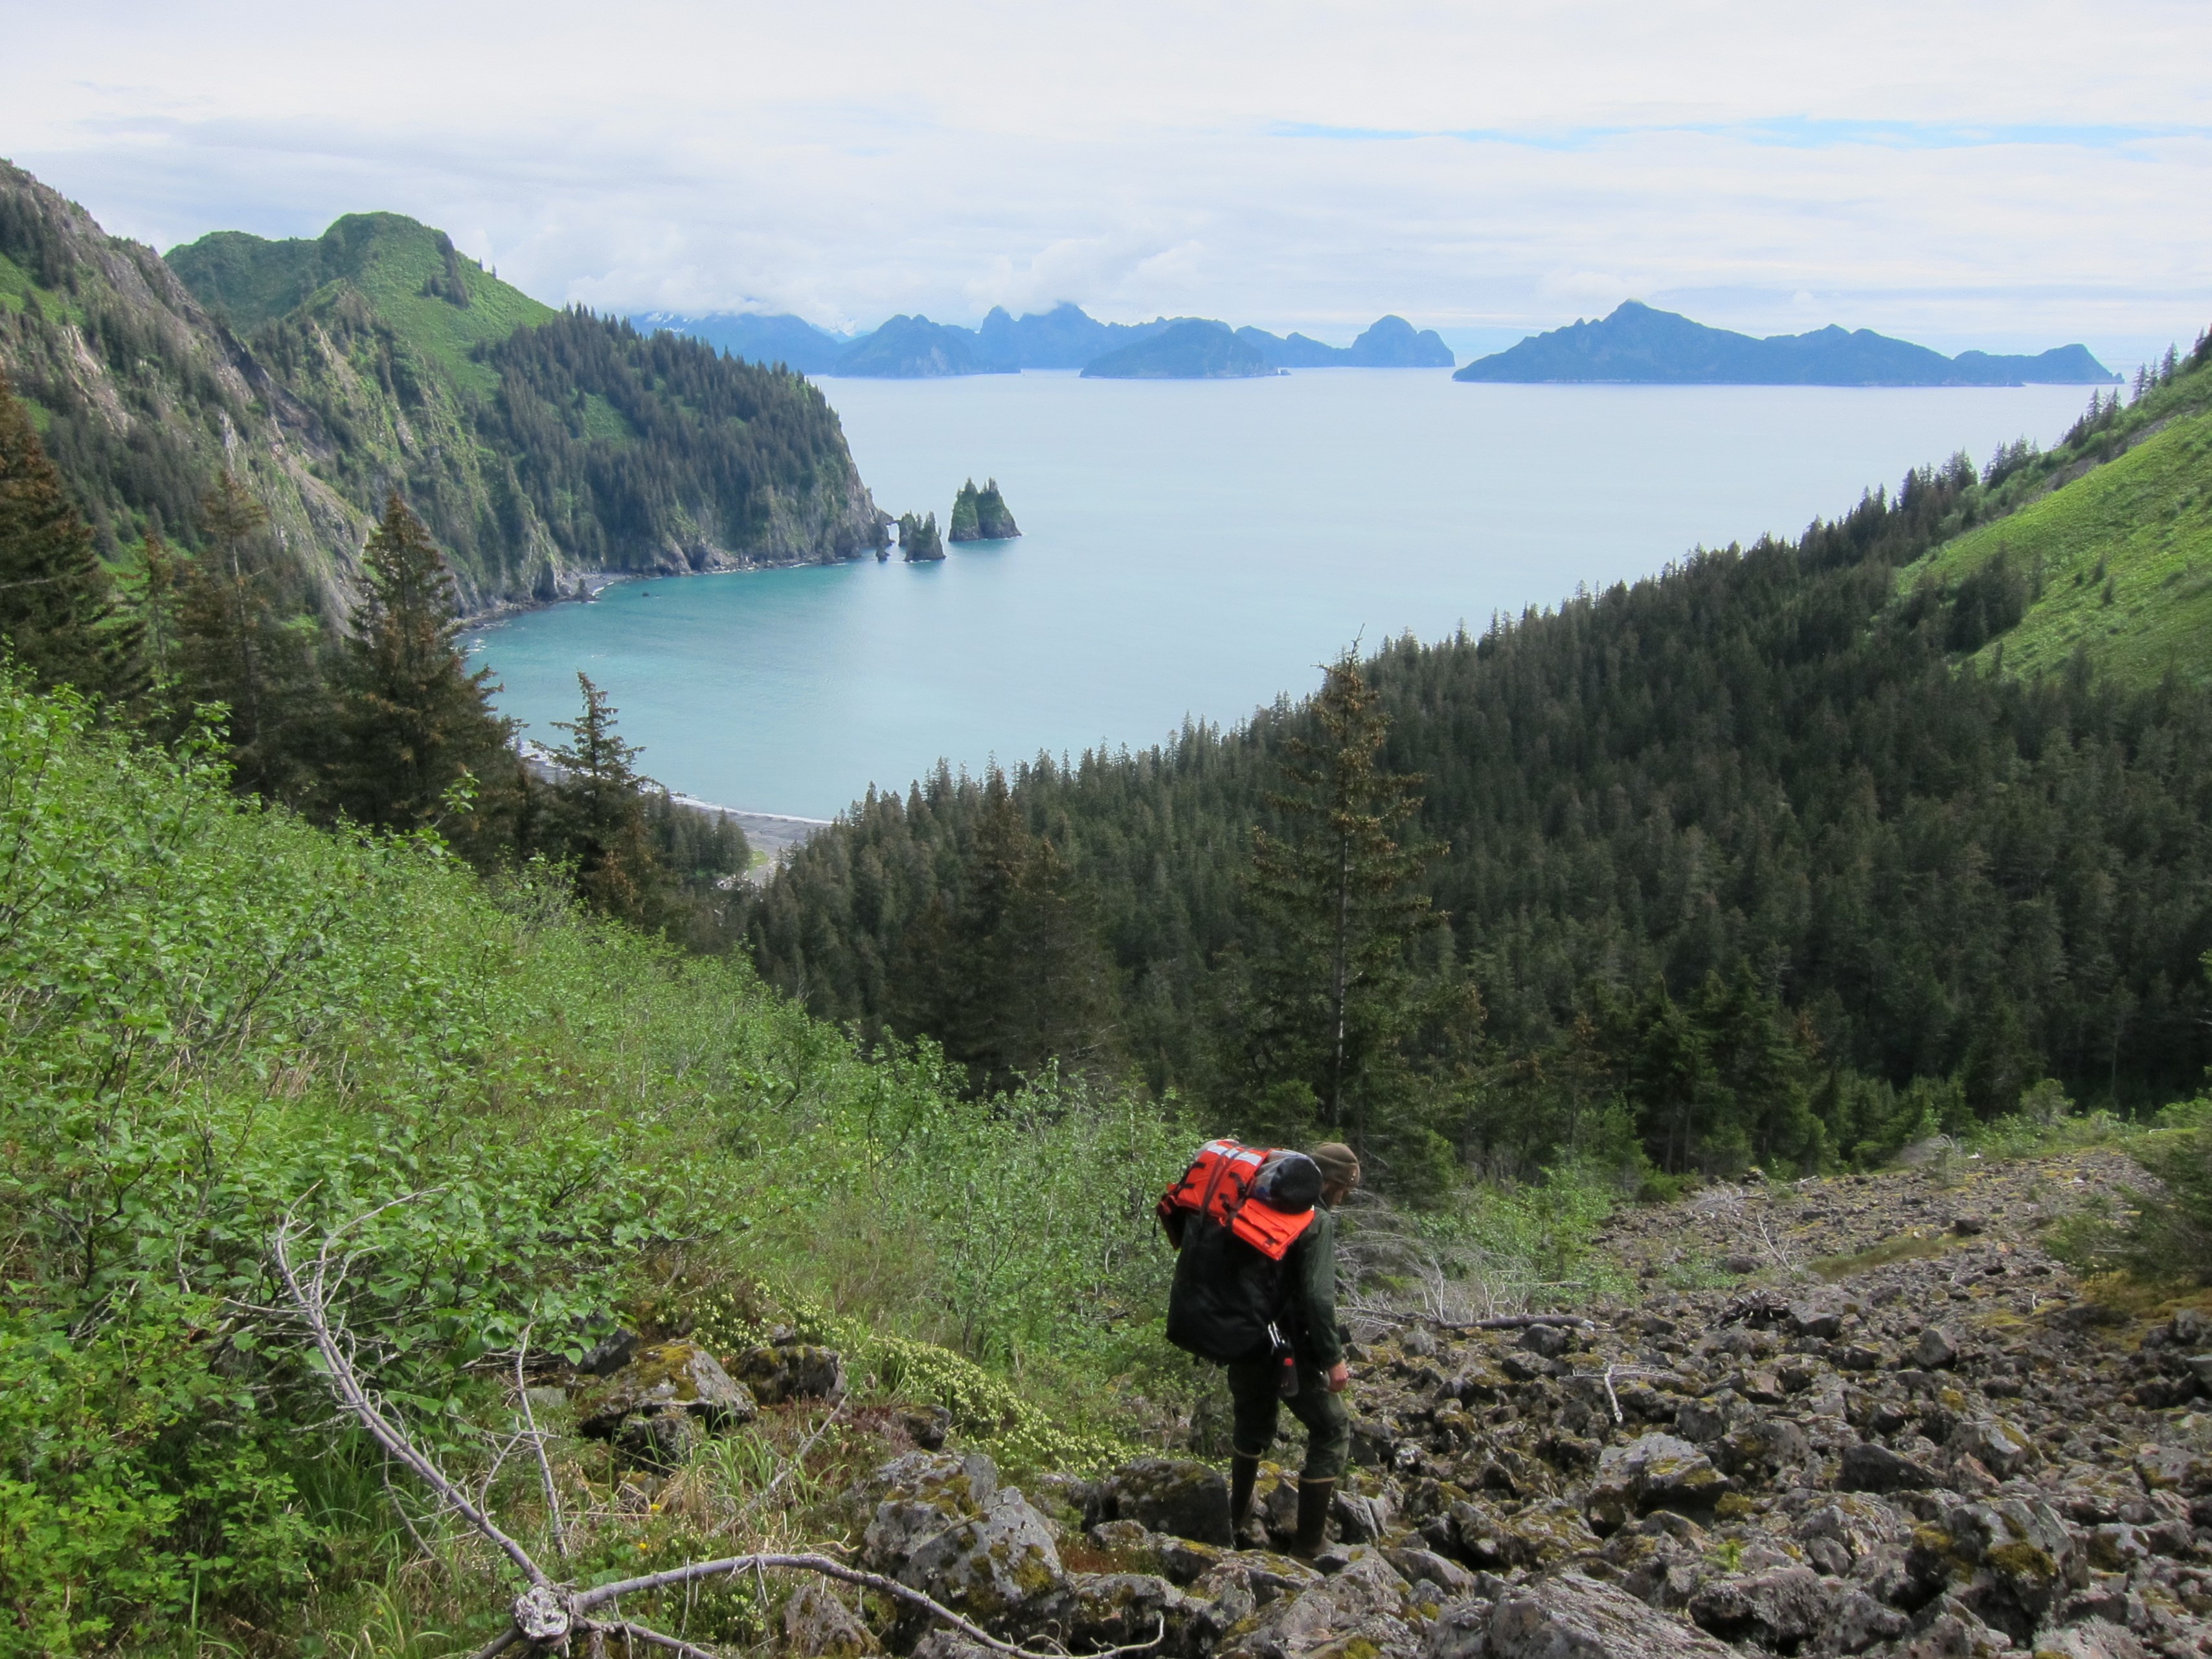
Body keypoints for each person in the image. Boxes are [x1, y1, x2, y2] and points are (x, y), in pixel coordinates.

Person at [1226, 1141, 1359, 1557]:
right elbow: (1319, 1301)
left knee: (1252, 1426)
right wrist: (1334, 1359)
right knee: (1332, 1428)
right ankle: (1308, 1542)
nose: (1345, 1197)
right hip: (1286, 1348)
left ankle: (1235, 1521)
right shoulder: (1314, 1220)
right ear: (1333, 1184)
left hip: (1245, 1335)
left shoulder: (1257, 1203)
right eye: (1346, 1189)